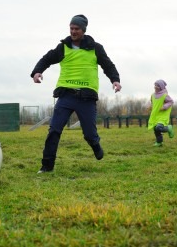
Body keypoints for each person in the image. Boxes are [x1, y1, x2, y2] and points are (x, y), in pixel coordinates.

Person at [30, 14, 122, 173]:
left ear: (83, 30)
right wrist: (37, 72)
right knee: (54, 131)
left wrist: (115, 80)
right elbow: (47, 58)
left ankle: (95, 144)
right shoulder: (63, 47)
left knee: (89, 134)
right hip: (66, 95)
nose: (73, 31)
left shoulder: (96, 48)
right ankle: (47, 166)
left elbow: (108, 65)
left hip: (87, 97)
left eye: (76, 29)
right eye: (71, 28)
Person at [148, 80, 174, 147]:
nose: (155, 87)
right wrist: (151, 107)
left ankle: (168, 128)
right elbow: (153, 103)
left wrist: (164, 107)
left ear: (161, 87)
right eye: (155, 85)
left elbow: (171, 102)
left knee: (159, 127)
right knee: (155, 129)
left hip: (163, 115)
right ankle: (159, 142)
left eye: (157, 86)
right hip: (155, 115)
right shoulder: (152, 95)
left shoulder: (165, 95)